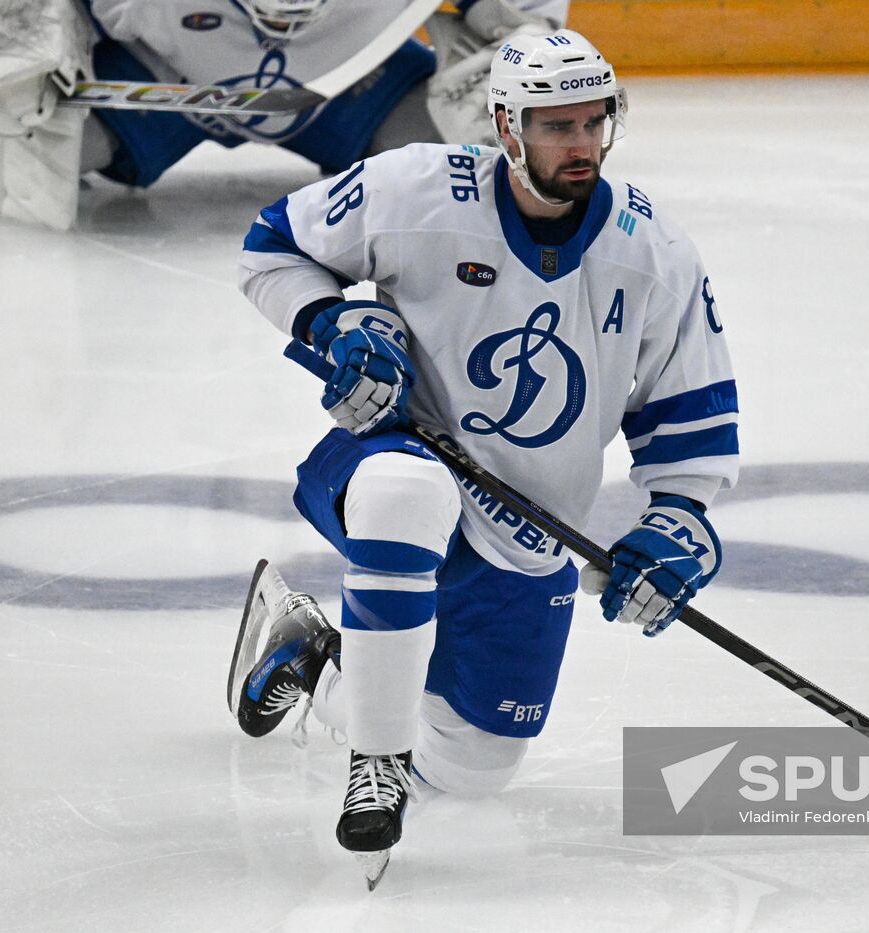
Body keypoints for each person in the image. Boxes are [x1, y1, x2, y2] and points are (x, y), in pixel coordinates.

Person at [229, 27, 738, 887]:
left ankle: (318, 659)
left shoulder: (654, 255)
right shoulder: (413, 190)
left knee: (473, 769)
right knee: (402, 490)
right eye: (556, 127)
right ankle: (375, 763)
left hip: (532, 530)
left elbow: (685, 415)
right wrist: (334, 321)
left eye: (593, 124)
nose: (581, 146)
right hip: (398, 452)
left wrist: (679, 521)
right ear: (506, 127)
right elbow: (272, 247)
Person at [84, 0, 568, 187]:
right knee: (29, 146)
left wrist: (523, 30)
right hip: (163, 73)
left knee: (477, 168)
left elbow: (517, 15)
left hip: (350, 79)